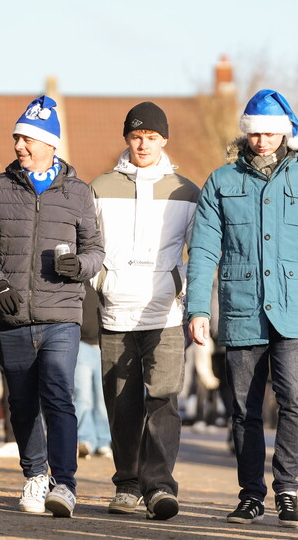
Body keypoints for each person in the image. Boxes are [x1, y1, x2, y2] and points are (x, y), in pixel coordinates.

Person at [187, 90, 298, 528]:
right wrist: (198, 309)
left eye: (271, 133)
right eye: (255, 133)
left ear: (287, 133)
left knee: (296, 398)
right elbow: (202, 251)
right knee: (243, 408)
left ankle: (287, 491)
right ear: (245, 133)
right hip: (241, 308)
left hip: (294, 309)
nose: (262, 141)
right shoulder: (221, 182)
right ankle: (251, 494)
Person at [0, 96, 104, 518]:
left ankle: (64, 483)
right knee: (22, 403)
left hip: (62, 315)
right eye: (16, 139)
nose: (19, 146)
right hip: (12, 316)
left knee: (59, 395)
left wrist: (79, 265)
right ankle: (34, 475)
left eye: (27, 139)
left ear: (49, 144)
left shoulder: (79, 193)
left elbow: (97, 250)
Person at [88, 102, 199, 520]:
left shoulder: (186, 191)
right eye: (136, 136)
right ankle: (128, 484)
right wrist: (101, 282)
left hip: (165, 316)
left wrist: (179, 283)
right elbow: (88, 246)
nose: (143, 144)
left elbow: (202, 249)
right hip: (116, 311)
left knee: (163, 402)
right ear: (126, 139)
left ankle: (159, 488)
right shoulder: (100, 187)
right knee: (121, 404)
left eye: (151, 137)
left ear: (164, 140)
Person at [73, 283, 111, 460]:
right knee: (82, 396)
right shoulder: (79, 281)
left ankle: (104, 441)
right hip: (82, 345)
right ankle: (85, 439)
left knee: (103, 399)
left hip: (105, 346)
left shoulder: (108, 279)